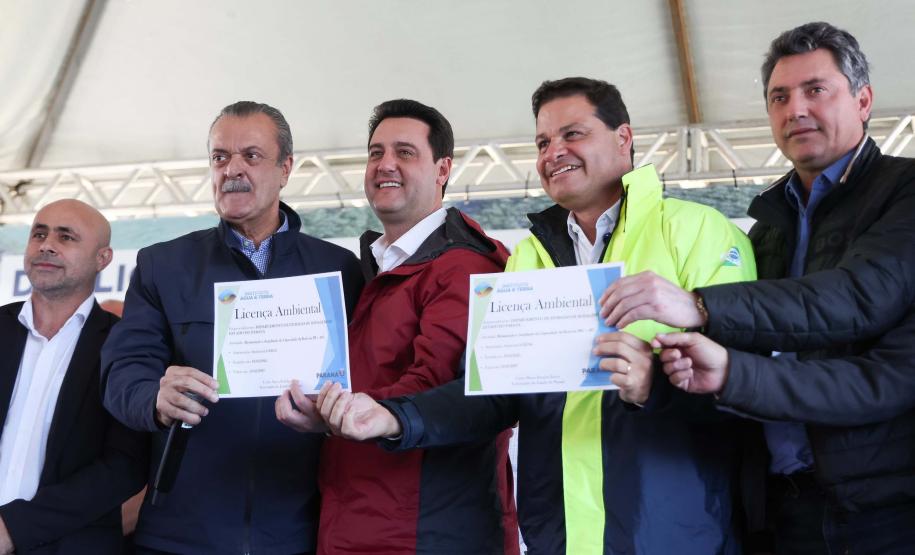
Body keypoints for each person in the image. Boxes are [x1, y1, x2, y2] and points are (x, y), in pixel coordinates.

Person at [316, 78, 759, 554]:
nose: (554, 152)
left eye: (573, 134)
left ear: (623, 138)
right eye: (543, 142)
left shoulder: (701, 232)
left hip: (673, 531)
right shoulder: (527, 259)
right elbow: (493, 397)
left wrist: (655, 387)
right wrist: (392, 418)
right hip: (558, 534)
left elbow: (751, 389)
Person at [600, 22, 915, 554]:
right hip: (777, 505)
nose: (795, 109)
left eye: (816, 90)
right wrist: (655, 383)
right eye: (779, 96)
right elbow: (736, 369)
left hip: (882, 510)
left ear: (863, 100)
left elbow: (856, 301)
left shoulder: (904, 191)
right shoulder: (767, 229)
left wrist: (699, 304)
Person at [101, 101, 364, 554]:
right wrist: (154, 398)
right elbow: (122, 372)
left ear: (286, 169)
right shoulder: (163, 265)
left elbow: (369, 383)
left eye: (251, 156)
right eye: (220, 157)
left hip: (298, 532)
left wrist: (334, 416)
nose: (232, 169)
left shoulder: (339, 270)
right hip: (181, 535)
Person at [275, 99, 518, 555]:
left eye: (405, 152)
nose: (385, 164)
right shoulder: (371, 271)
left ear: (443, 169)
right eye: (375, 153)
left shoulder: (464, 267)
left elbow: (437, 388)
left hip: (426, 530)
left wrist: (330, 414)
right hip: (355, 520)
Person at [0, 199, 147, 554]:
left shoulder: (126, 345)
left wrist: (13, 529)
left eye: (66, 237)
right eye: (39, 234)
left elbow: (125, 464)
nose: (46, 244)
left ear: (103, 258)